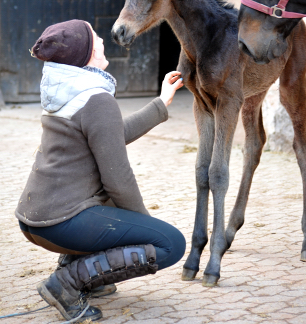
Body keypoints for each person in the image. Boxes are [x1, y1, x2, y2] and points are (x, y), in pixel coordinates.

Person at [15, 19, 186, 322]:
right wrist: (143, 229)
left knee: (111, 211)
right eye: (94, 37)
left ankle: (80, 270)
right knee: (170, 244)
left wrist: (162, 102)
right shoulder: (96, 99)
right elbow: (119, 181)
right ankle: (66, 284)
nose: (102, 39)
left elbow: (111, 133)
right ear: (85, 53)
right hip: (62, 220)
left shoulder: (67, 90)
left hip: (37, 219)